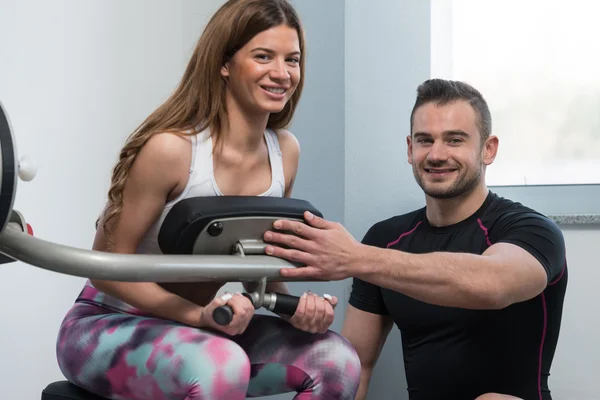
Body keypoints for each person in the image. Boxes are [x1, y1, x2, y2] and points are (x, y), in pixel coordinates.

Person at [55, 1, 361, 399]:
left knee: (336, 359)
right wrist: (197, 316)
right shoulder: (172, 150)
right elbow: (105, 270)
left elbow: (257, 264)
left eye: (293, 59)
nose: (282, 74)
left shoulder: (284, 151)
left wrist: (296, 308)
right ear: (224, 63)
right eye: (263, 57)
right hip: (106, 325)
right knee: (222, 365)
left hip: (201, 327)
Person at [263, 79, 568, 400]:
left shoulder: (531, 230)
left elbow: (491, 285)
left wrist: (357, 258)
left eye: (454, 140)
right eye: (425, 140)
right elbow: (357, 367)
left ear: (488, 149)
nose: (436, 154)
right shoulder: (386, 238)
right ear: (410, 149)